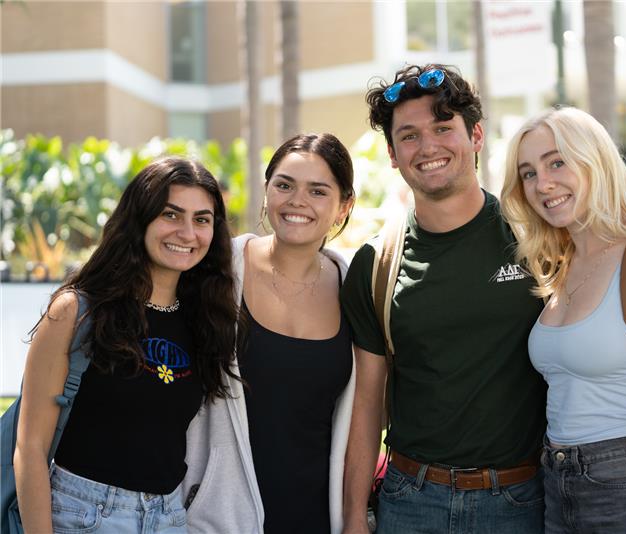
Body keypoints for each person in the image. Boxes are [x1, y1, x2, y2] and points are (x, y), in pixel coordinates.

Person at [340, 63, 548, 534]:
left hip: (521, 501)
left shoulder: (537, 239)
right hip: (411, 501)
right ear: (393, 155)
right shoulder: (375, 265)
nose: (428, 146)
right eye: (409, 135)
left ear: (475, 136)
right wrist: (354, 516)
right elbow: (368, 403)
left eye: (442, 127)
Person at [500, 106, 626, 533]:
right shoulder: (555, 265)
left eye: (557, 162)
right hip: (557, 487)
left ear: (595, 161)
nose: (543, 183)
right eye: (528, 173)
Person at [14, 157, 239, 534]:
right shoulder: (77, 312)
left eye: (202, 219)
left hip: (169, 517)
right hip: (82, 515)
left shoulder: (207, 319)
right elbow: (30, 448)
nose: (187, 232)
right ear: (140, 218)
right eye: (171, 214)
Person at [182, 133, 356, 534]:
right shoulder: (218, 269)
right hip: (218, 518)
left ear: (343, 205)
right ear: (266, 191)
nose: (297, 201)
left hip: (316, 515)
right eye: (284, 185)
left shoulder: (353, 286)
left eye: (317, 190)